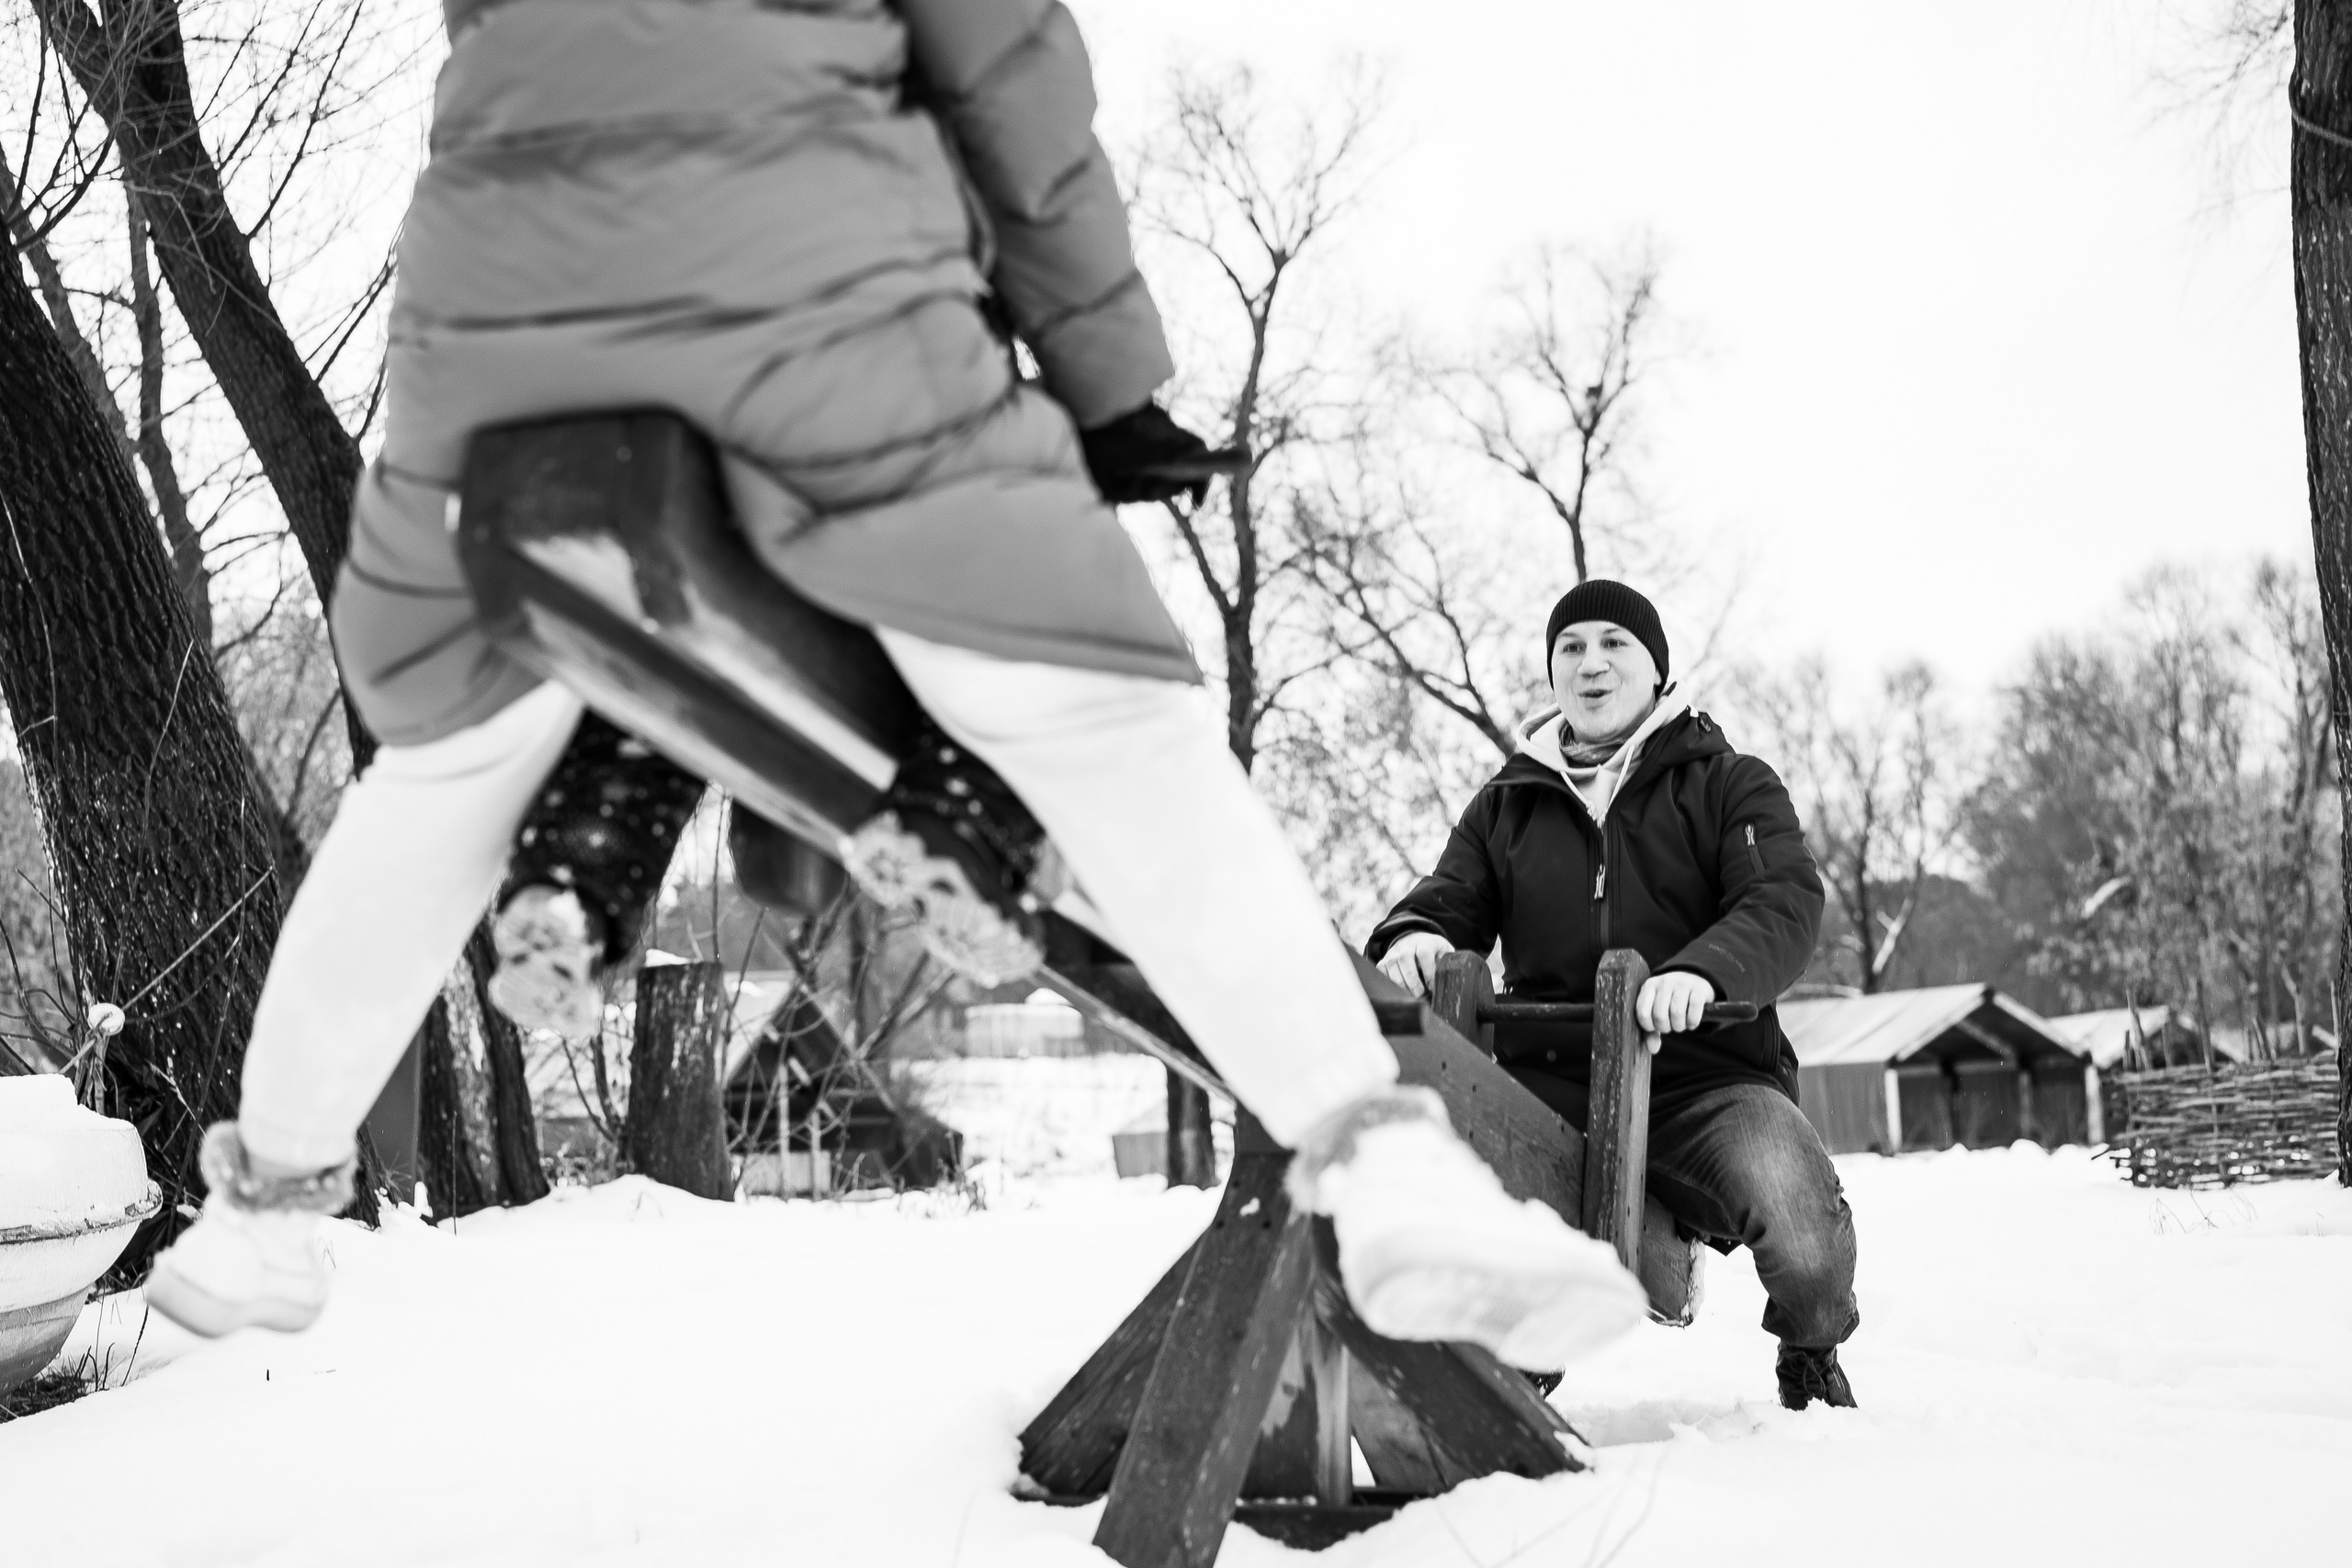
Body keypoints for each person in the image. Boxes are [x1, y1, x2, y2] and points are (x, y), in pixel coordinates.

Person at [144, 0, 1648, 1371]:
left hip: (489, 337)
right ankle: (1381, 1156)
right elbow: (1019, 100)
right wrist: (1111, 390)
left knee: (434, 779)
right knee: (1110, 728)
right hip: (813, 288)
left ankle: (267, 1203)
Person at [1369, 580, 1861, 1410]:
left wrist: (1703, 973)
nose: (1590, 663)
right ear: (1554, 674)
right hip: (1557, 1079)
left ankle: (1809, 1345)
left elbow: (1782, 901)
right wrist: (1414, 933)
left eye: (1613, 644)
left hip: (1705, 1076)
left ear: (1658, 670)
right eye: (1571, 647)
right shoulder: (1509, 801)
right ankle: (1524, 1352)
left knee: (1804, 1236)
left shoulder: (1727, 782)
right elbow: (1447, 896)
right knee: (1472, 1182)